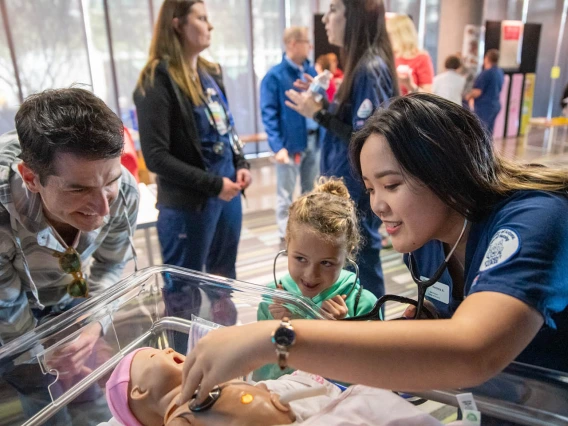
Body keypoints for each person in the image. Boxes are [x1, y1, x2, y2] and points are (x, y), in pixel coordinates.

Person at [178, 95, 568, 425]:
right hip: (509, 404)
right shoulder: (430, 239)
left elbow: (472, 349)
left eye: (392, 185)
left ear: (446, 170)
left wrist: (275, 339)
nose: (377, 205)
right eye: (370, 188)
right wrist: (393, 328)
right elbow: (449, 317)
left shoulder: (536, 219)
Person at [0, 87, 139, 423]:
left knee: (94, 388)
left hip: (72, 296)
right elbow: (7, 309)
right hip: (10, 317)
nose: (103, 207)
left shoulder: (124, 192)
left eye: (111, 181)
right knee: (41, 395)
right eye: (79, 189)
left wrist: (94, 325)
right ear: (31, 178)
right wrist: (42, 359)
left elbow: (111, 263)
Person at [285, 0, 399, 299]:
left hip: (357, 193)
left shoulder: (370, 68)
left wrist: (318, 114)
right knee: (348, 271)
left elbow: (369, 139)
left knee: (360, 270)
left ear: (356, 16)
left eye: (334, 10)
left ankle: (372, 337)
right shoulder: (361, 65)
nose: (326, 19)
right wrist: (323, 106)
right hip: (348, 189)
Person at [134, 0, 252, 279]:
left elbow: (227, 128)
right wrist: (213, 185)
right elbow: (156, 157)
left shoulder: (210, 73)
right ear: (177, 24)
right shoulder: (156, 81)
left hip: (227, 194)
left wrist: (240, 161)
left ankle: (226, 326)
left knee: (224, 280)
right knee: (184, 292)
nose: (209, 25)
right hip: (188, 206)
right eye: (201, 18)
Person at [105, 347, 449, 426]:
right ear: (138, 392)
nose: (167, 348)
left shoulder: (209, 384)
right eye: (153, 355)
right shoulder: (179, 418)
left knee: (378, 407)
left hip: (308, 412)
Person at [258, 178, 377, 321]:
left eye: (326, 263)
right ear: (287, 243)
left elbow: (376, 344)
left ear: (347, 253)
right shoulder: (272, 300)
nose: (311, 275)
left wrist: (344, 329)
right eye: (301, 259)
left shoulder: (364, 306)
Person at [260, 26, 320, 247]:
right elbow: (269, 114)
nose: (310, 46)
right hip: (290, 145)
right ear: (292, 44)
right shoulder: (274, 76)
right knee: (285, 194)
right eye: (306, 41)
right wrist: (277, 147)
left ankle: (308, 231)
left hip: (314, 140)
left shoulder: (311, 72)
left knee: (311, 192)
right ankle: (285, 237)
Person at [386, 14, 434, 95]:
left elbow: (429, 96)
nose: (386, 38)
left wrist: (410, 85)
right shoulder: (387, 56)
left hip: (407, 106)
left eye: (390, 34)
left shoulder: (421, 58)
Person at [465, 49, 504, 135]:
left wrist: (468, 96)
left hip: (485, 106)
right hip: (495, 105)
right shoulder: (499, 72)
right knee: (488, 132)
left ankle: (480, 148)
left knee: (480, 131)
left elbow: (478, 91)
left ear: (486, 58)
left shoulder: (486, 73)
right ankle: (488, 148)